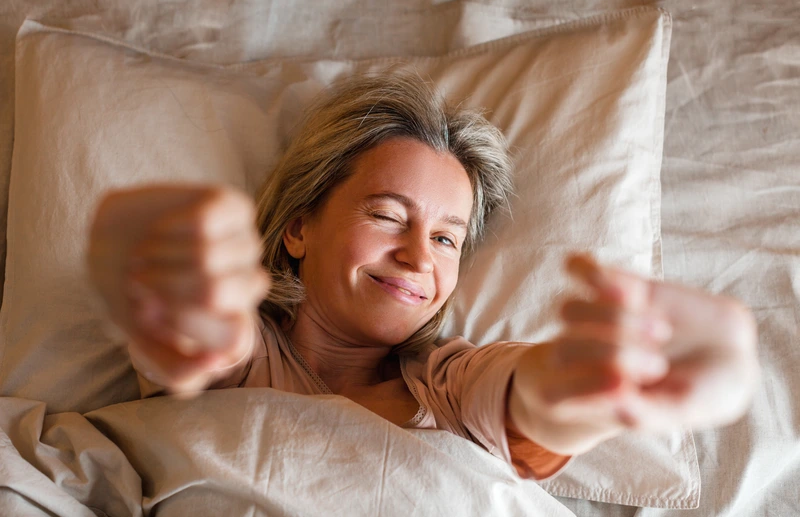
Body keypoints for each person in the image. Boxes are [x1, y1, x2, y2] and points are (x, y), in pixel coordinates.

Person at [87, 71, 759, 480]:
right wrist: (173, 283)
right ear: (299, 226)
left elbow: (536, 395)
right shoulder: (247, 359)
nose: (418, 256)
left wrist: (613, 374)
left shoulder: (446, 383)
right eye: (387, 215)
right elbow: (204, 332)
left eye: (446, 238)